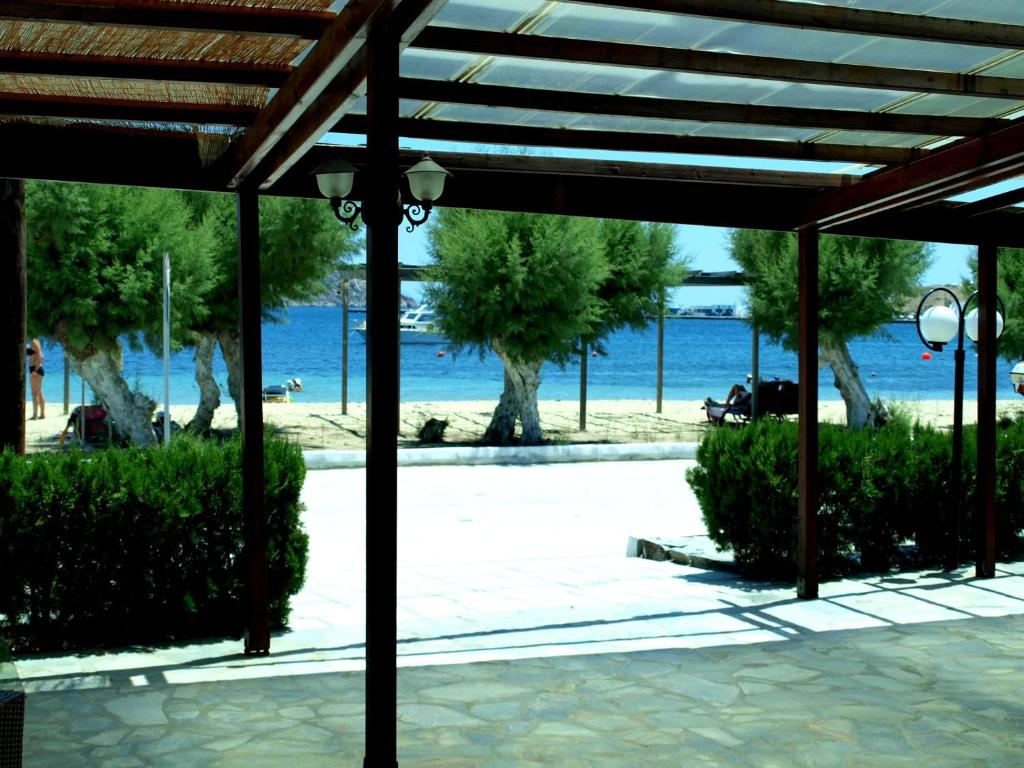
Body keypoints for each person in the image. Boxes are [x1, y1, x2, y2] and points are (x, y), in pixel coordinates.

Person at [26, 338, 45, 420]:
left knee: (34, 393)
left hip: (35, 371)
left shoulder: (34, 341)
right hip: (37, 370)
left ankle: (35, 415)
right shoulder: (33, 343)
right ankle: (42, 414)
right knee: (39, 393)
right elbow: (31, 354)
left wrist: (35, 371)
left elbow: (41, 358)